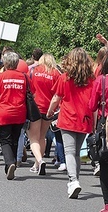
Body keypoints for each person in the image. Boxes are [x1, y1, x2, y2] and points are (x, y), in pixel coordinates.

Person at [47, 47, 95, 199]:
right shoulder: (92, 79)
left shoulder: (65, 77)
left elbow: (56, 97)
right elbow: (93, 103)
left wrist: (49, 111)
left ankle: (73, 181)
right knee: (76, 152)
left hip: (68, 118)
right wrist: (93, 123)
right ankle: (75, 181)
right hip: (84, 119)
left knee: (69, 151)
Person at [0, 51, 27, 180]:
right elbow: (31, 95)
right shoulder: (24, 77)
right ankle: (12, 163)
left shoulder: (0, 77)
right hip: (19, 113)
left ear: (5, 63)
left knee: (5, 140)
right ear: (17, 63)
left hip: (3, 113)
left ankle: (10, 163)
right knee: (15, 139)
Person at [27, 54, 61, 175]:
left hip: (35, 107)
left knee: (33, 138)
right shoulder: (56, 74)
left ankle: (40, 161)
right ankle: (37, 164)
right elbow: (58, 92)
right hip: (49, 108)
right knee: (42, 137)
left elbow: (29, 88)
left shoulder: (34, 71)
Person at [89, 53, 108, 212]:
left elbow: (92, 105)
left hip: (105, 124)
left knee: (105, 165)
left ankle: (107, 204)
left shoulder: (101, 81)